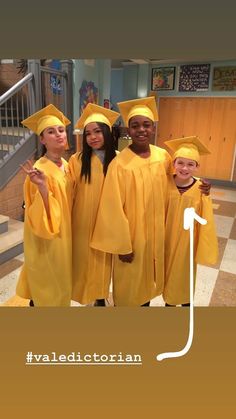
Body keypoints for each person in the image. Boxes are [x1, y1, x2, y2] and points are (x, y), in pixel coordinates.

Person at [91, 96, 172, 306]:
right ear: (128, 130)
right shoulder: (120, 164)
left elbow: (177, 185)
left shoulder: (163, 157)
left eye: (146, 125)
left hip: (156, 235)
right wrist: (122, 246)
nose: (141, 130)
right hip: (132, 239)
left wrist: (200, 187)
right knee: (129, 288)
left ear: (153, 128)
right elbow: (112, 209)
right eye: (135, 126)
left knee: (147, 287)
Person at [16, 104, 73, 306]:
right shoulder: (39, 171)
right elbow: (36, 217)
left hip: (64, 236)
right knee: (48, 290)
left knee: (60, 285)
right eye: (51, 131)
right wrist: (42, 189)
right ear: (42, 139)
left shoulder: (66, 165)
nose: (58, 135)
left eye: (61, 130)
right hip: (48, 239)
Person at [68, 103, 120, 306]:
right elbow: (66, 189)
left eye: (98, 131)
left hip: (106, 223)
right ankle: (83, 294)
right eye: (88, 133)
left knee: (102, 260)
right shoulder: (77, 160)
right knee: (82, 259)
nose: (93, 137)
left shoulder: (118, 160)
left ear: (107, 132)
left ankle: (100, 296)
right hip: (81, 222)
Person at [163, 136, 219, 306]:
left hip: (188, 242)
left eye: (190, 164)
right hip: (165, 239)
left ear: (197, 167)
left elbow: (206, 218)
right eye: (180, 163)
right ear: (174, 163)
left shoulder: (201, 188)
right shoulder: (164, 183)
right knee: (165, 275)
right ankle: (169, 303)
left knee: (184, 274)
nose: (184, 168)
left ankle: (186, 304)